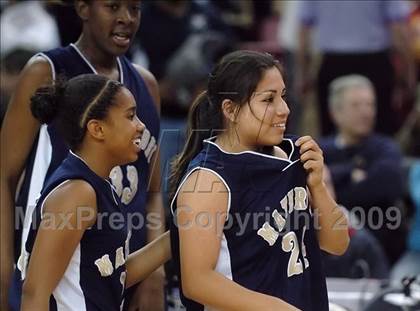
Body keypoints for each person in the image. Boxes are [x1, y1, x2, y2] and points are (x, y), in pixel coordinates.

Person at [0, 1, 165, 310]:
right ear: (83, 8)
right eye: (112, 6)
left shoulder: (145, 84)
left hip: (119, 264)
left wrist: (155, 270)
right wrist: (2, 263)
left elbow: (152, 189)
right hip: (59, 266)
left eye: (134, 8)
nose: (126, 18)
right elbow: (4, 174)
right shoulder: (45, 70)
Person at [169, 50, 349, 310]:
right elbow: (197, 282)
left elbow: (337, 244)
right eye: (268, 100)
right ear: (230, 109)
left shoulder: (293, 156)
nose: (284, 110)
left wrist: (318, 187)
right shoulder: (209, 180)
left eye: (283, 97)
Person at [19, 74, 171, 311]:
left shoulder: (99, 183)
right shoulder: (77, 193)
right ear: (97, 129)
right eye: (131, 116)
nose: (141, 126)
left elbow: (112, 274)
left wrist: (180, 235)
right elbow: (34, 293)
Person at [320, 74, 406, 265]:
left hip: (383, 249)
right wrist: (350, 172)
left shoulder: (385, 147)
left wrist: (332, 184)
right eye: (356, 105)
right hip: (328, 253)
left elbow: (391, 185)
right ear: (335, 112)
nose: (366, 112)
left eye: (370, 105)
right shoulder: (319, 149)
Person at [297, 0, 414, 136]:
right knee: (379, 130)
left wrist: (303, 74)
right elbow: (399, 30)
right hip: (374, 64)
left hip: (333, 65)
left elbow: (303, 31)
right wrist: (408, 73)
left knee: (333, 131)